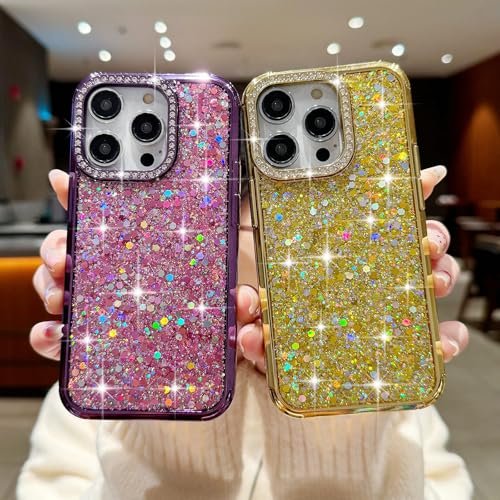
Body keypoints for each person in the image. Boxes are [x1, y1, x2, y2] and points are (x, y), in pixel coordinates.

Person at [18, 166, 472, 499]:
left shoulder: (385, 384)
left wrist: (340, 424)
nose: (252, 320)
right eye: (226, 295)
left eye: (287, 290)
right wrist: (167, 415)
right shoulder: (103, 385)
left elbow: (447, 485)